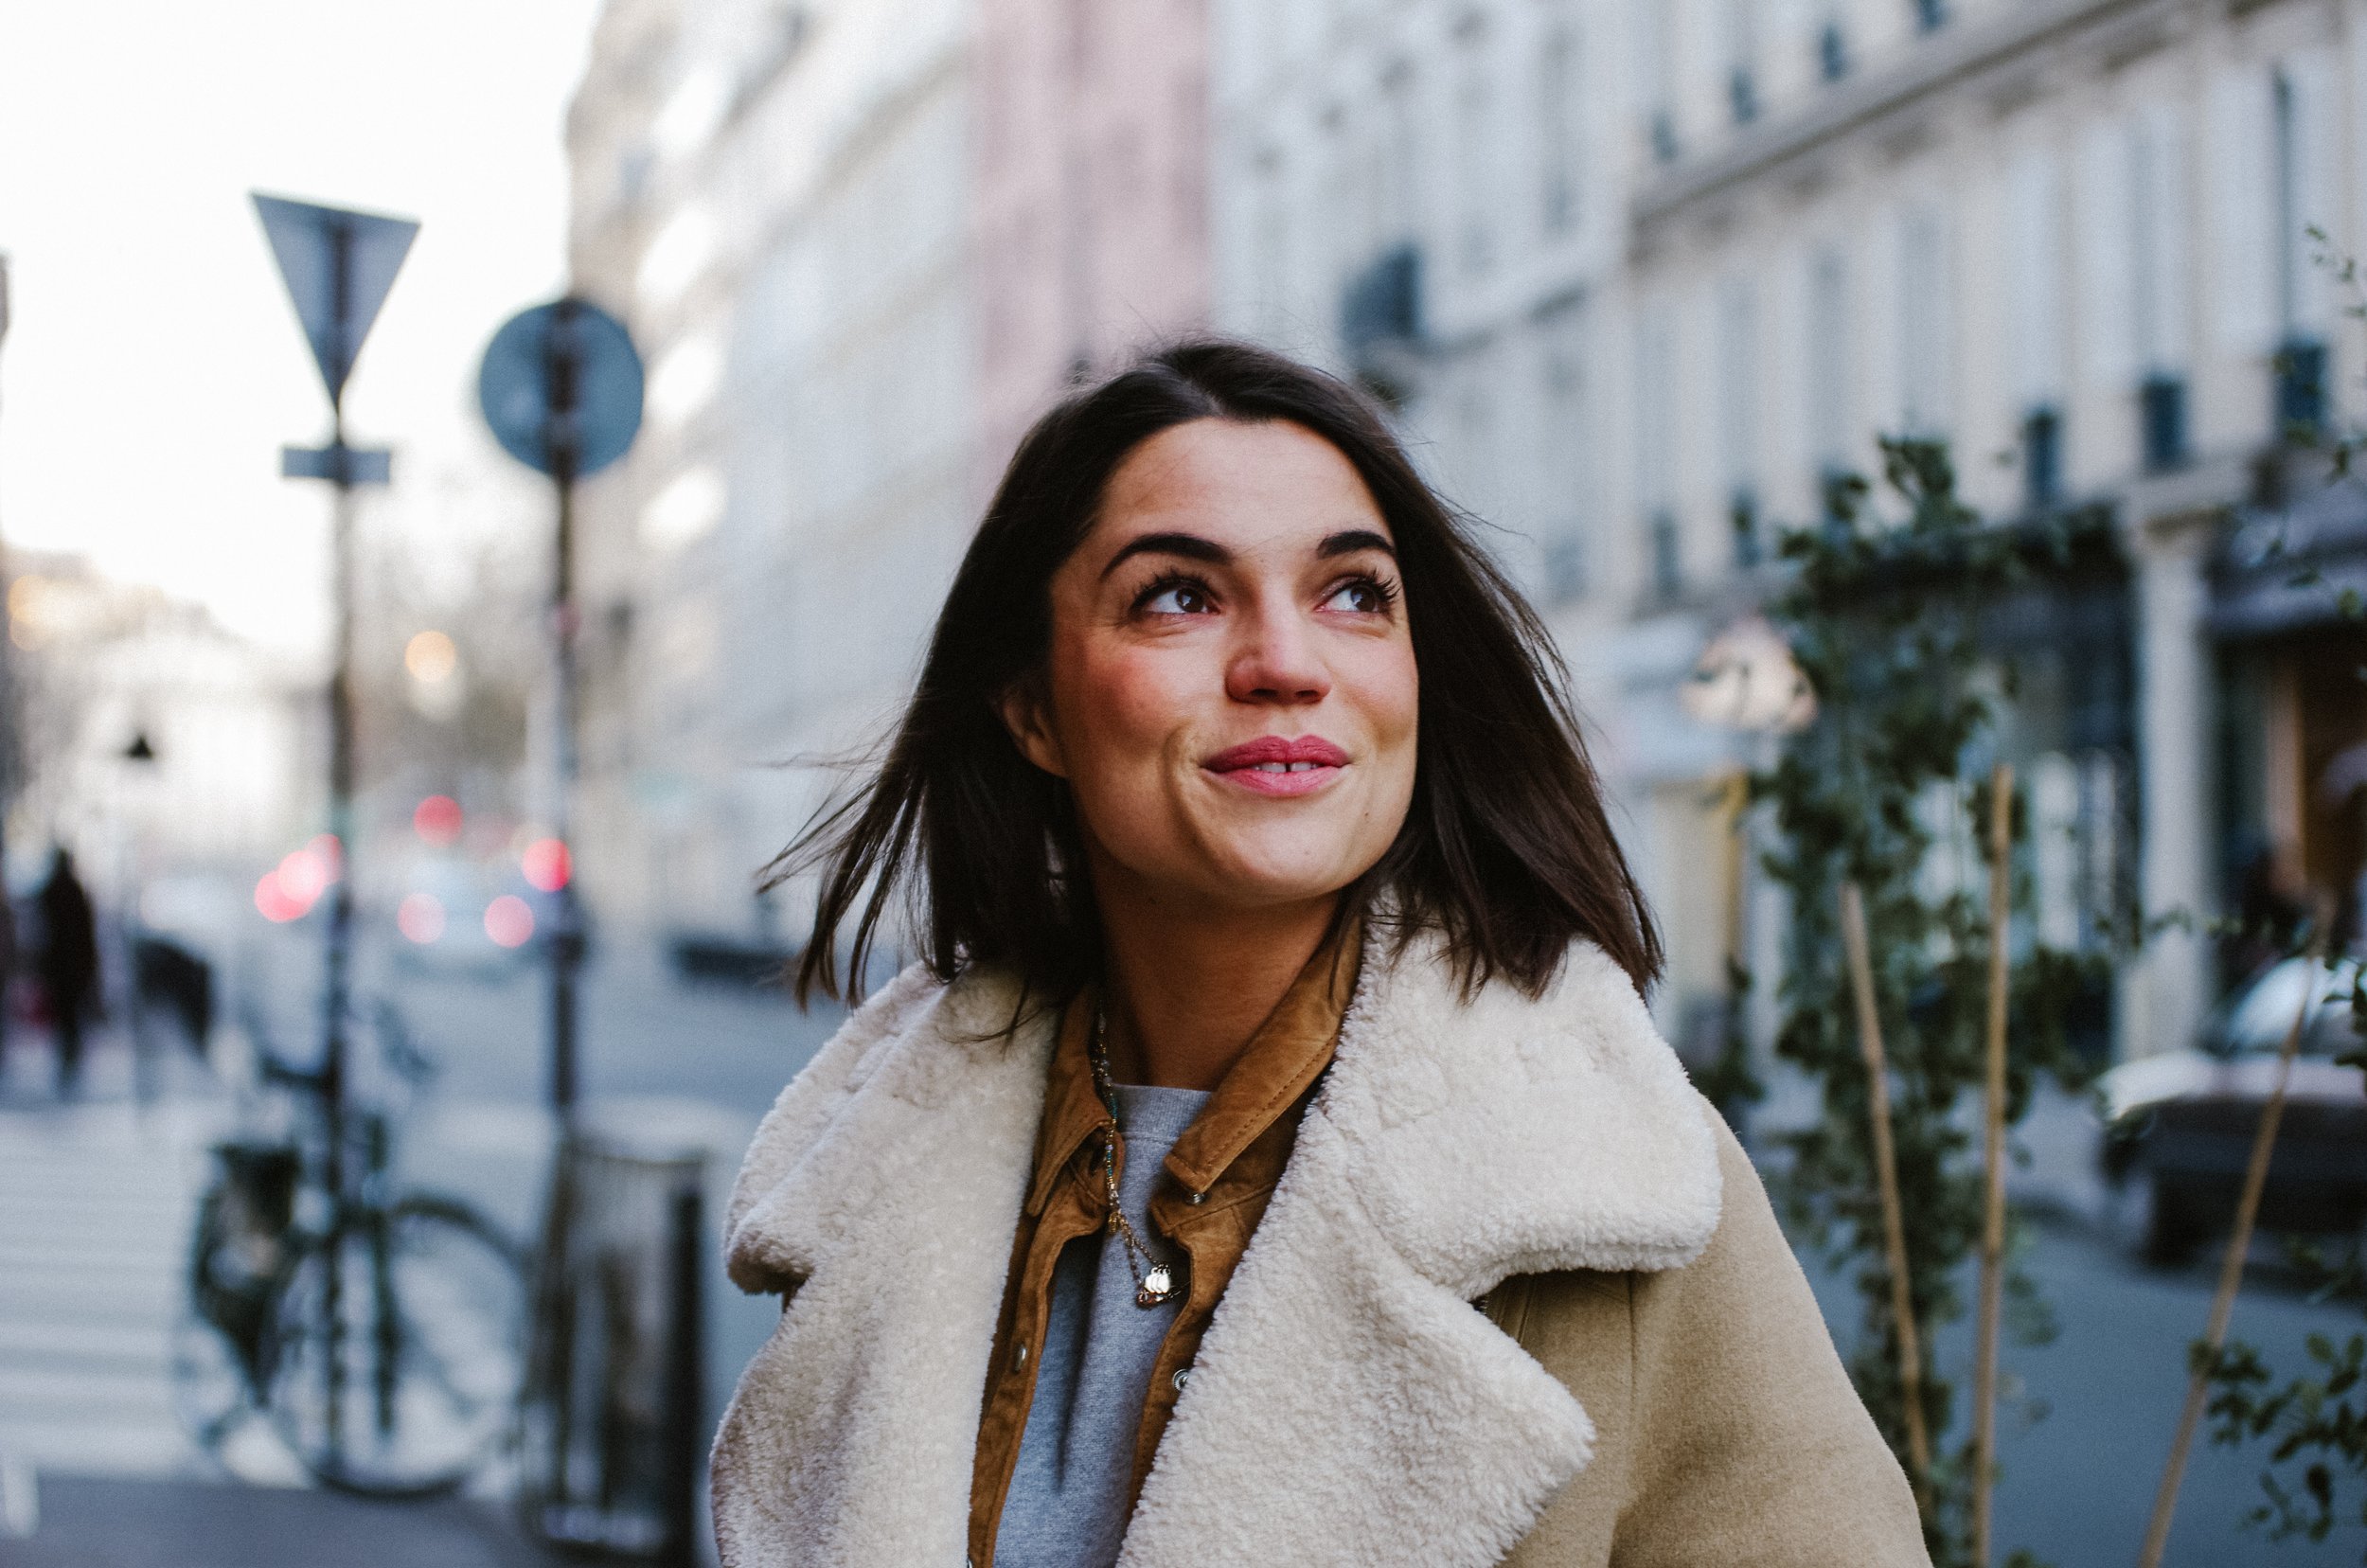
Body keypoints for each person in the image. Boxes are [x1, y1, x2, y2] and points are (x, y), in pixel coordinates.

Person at [713, 342, 1928, 1567]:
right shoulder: (887, 1181)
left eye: (1352, 593)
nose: (1286, 663)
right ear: (1033, 706)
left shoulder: (1608, 1179)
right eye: (1178, 596)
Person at [36, 846, 98, 1096]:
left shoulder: (52, 891)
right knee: (70, 1017)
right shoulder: (73, 891)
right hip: (71, 967)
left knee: (66, 1016)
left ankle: (68, 1057)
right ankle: (70, 1057)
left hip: (60, 967)